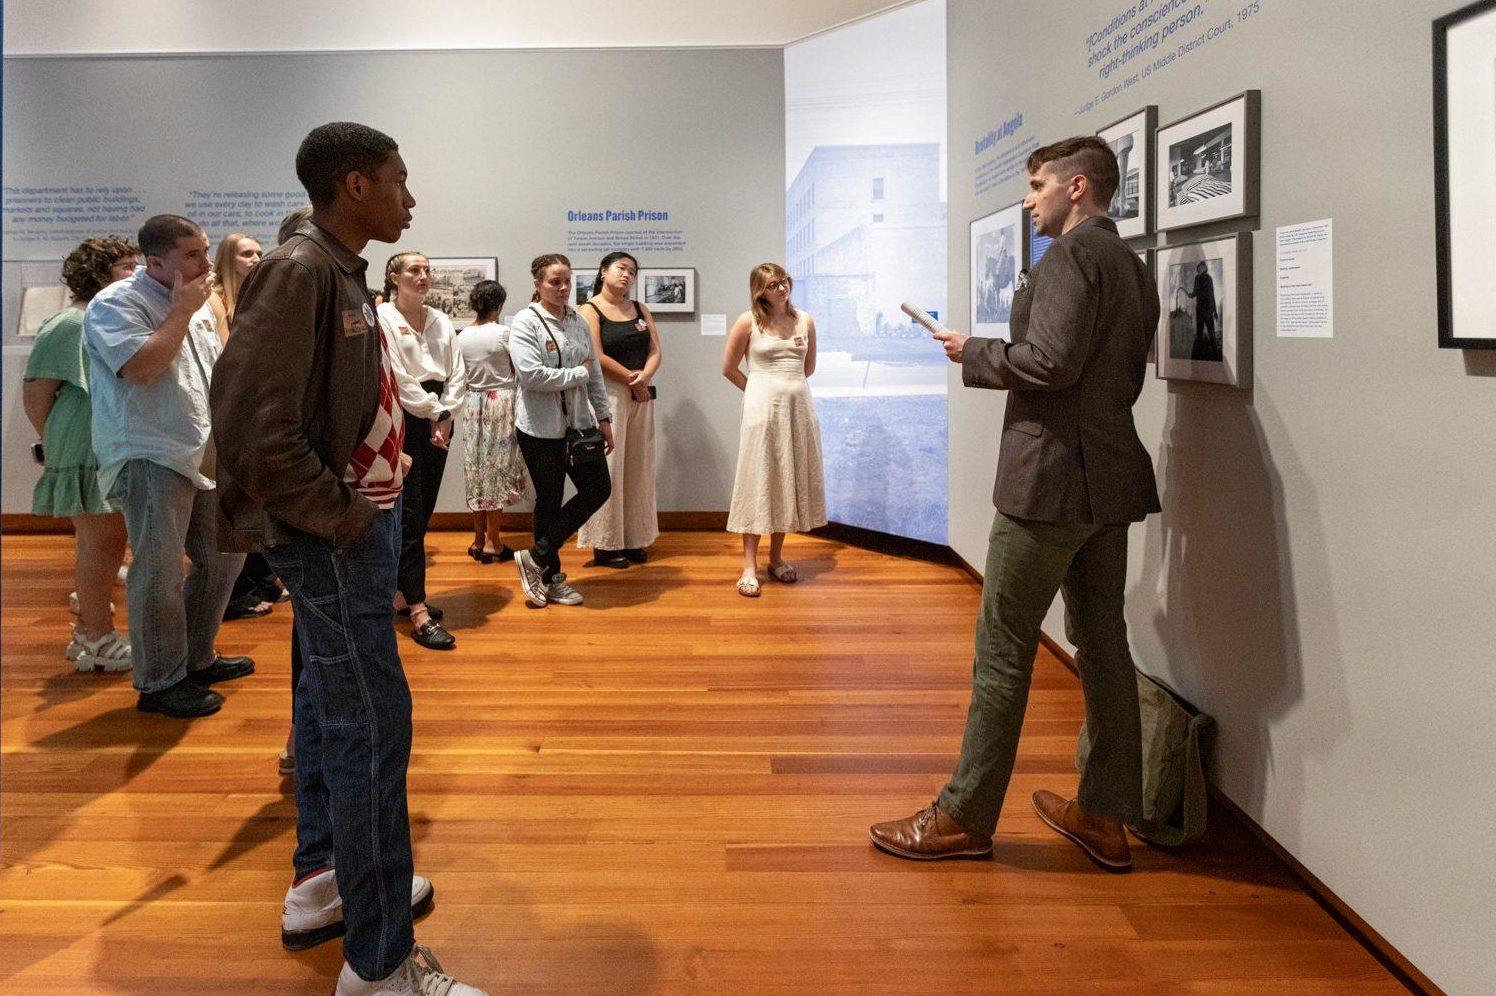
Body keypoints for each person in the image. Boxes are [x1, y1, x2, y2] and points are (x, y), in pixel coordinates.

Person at [211, 121, 484, 996]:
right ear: (356, 185)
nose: (412, 198)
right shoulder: (300, 272)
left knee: (333, 712)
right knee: (371, 728)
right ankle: (380, 963)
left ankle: (324, 880)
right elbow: (254, 430)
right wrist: (346, 522)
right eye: (401, 180)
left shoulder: (335, 271)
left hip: (342, 533)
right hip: (332, 539)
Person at [869, 136, 1160, 872]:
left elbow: (1051, 363)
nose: (1028, 199)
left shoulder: (1070, 258)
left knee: (1003, 649)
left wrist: (972, 349)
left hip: (1050, 484)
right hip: (1107, 482)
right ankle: (1104, 814)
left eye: (1037, 185)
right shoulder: (1131, 265)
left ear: (1078, 187)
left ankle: (963, 816)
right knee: (1103, 648)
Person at [82, 214, 254, 719]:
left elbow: (210, 371)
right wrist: (179, 310)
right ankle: (159, 682)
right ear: (155, 262)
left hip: (200, 447)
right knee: (157, 572)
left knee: (226, 555)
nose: (206, 263)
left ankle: (195, 658)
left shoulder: (197, 301)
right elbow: (141, 368)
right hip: (149, 450)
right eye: (193, 256)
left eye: (204, 252)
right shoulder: (116, 304)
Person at [22, 236, 140, 672]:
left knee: (108, 540)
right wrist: (56, 444)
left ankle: (93, 628)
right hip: (84, 439)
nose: (136, 273)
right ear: (100, 273)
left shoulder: (100, 317)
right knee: (101, 540)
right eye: (126, 266)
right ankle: (94, 636)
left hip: (101, 437)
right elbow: (37, 391)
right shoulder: (72, 321)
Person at [509, 254, 614, 608]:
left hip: (580, 427)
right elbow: (531, 375)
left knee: (599, 487)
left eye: (567, 280)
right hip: (540, 429)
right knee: (549, 500)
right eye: (555, 281)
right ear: (538, 284)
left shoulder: (577, 319)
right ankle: (551, 579)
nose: (563, 288)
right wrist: (577, 375)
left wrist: (604, 417)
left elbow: (595, 373)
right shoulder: (526, 322)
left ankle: (535, 557)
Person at [378, 251, 467, 650]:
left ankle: (403, 593)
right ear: (394, 276)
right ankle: (417, 611)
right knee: (409, 515)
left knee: (423, 509)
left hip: (440, 416)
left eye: (427, 270)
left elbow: (457, 372)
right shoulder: (384, 318)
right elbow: (398, 378)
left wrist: (446, 413)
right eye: (414, 269)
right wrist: (434, 412)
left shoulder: (441, 319)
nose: (423, 276)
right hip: (405, 419)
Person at [721, 263, 826, 597]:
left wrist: (786, 387)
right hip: (761, 410)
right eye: (772, 285)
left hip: (798, 409)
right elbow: (729, 368)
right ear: (759, 291)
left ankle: (776, 557)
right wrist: (759, 389)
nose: (781, 289)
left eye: (783, 282)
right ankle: (749, 566)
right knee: (758, 479)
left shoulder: (805, 319)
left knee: (787, 478)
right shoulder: (747, 320)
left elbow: (807, 368)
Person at [207, 232, 285, 621]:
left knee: (258, 497)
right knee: (236, 500)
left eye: (258, 252)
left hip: (253, 407)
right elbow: (230, 356)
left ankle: (260, 577)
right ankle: (238, 593)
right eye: (246, 254)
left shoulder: (248, 296)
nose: (255, 259)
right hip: (231, 410)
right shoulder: (216, 299)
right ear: (227, 258)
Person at [577, 251, 661, 568]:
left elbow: (655, 350)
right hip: (609, 394)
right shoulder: (590, 309)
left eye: (632, 271)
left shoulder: (640, 308)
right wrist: (630, 379)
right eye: (621, 268)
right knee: (609, 467)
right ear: (603, 271)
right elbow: (595, 355)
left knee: (638, 467)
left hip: (640, 394)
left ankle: (634, 538)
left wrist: (645, 376)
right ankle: (605, 543)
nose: (627, 274)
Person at [457, 279, 527, 564]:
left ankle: (477, 539)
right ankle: (493, 542)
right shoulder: (504, 333)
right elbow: (519, 369)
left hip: (473, 404)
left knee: (476, 470)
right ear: (498, 305)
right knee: (497, 470)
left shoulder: (462, 336)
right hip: (502, 403)